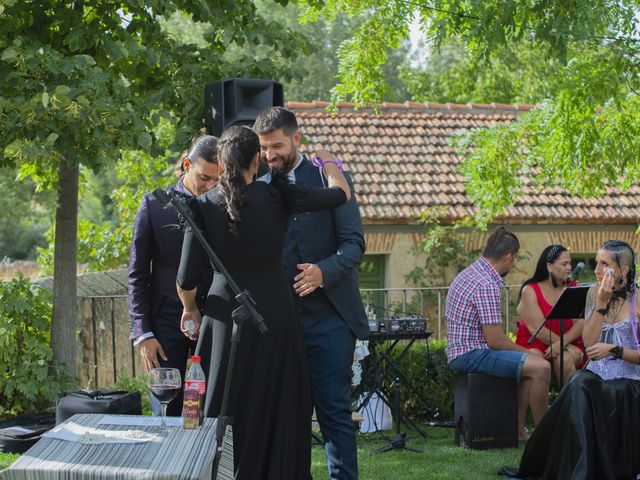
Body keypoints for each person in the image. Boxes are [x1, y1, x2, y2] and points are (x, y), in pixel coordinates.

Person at [176, 126, 351, 480]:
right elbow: (339, 196)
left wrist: (190, 307)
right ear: (256, 159)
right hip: (274, 314)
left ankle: (223, 474)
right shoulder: (279, 197)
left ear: (222, 162)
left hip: (224, 317)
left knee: (226, 406)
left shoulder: (202, 206)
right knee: (277, 402)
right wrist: (330, 162)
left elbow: (185, 278)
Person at [254, 106, 369, 480]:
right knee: (289, 414)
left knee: (334, 411)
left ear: (297, 139)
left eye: (277, 146)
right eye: (264, 148)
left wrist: (323, 271)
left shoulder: (330, 179)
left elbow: (354, 244)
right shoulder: (258, 188)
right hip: (282, 322)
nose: (270, 155)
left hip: (331, 317)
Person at [509, 240, 640, 479]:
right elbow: (589, 343)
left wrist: (615, 350)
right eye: (596, 263)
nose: (597, 270)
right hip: (598, 375)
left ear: (624, 271)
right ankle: (578, 469)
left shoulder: (638, 300)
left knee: (612, 389)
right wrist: (600, 303)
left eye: (605, 264)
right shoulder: (593, 293)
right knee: (579, 381)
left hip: (629, 378)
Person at [128, 134, 219, 416]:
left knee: (214, 405)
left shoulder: (226, 204)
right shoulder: (154, 205)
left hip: (216, 317)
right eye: (205, 177)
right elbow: (137, 274)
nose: (211, 186)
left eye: (218, 179)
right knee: (168, 406)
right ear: (186, 164)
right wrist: (143, 333)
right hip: (167, 320)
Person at [446, 227, 551, 441]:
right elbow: (495, 341)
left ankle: (519, 430)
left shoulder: (471, 272)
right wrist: (530, 354)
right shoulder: (486, 284)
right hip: (471, 354)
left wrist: (526, 354)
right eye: (514, 260)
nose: (513, 264)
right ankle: (545, 436)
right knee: (541, 367)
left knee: (529, 364)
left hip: (464, 351)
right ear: (508, 257)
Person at [515, 245, 585, 386]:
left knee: (565, 360)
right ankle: (536, 408)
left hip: (567, 342)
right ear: (549, 266)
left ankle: (569, 406)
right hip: (537, 344)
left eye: (570, 263)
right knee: (536, 362)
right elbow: (537, 329)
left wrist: (563, 344)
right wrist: (565, 345)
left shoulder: (574, 286)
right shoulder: (530, 290)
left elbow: (581, 322)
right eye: (564, 264)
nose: (569, 268)